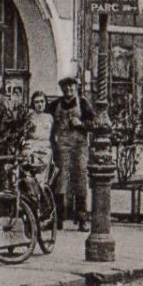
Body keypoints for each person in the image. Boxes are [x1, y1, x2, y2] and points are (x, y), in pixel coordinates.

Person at [50, 76, 94, 230]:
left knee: (80, 179)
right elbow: (45, 117)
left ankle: (82, 218)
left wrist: (81, 124)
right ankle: (59, 218)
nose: (68, 90)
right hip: (62, 147)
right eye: (65, 87)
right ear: (62, 89)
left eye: (71, 87)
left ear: (76, 88)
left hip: (79, 147)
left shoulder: (83, 103)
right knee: (61, 181)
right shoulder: (56, 104)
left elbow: (94, 123)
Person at [23, 91, 54, 176]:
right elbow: (24, 135)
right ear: (33, 104)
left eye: (42, 101)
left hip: (45, 150)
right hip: (31, 149)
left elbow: (52, 135)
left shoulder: (49, 117)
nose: (39, 104)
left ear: (45, 102)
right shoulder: (29, 117)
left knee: (43, 177)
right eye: (36, 102)